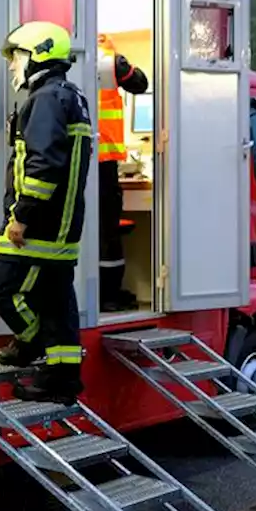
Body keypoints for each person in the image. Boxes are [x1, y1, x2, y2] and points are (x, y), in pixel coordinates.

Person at [0, 21, 92, 404]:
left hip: (41, 226)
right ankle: (62, 380)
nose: (13, 65)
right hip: (62, 224)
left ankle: (28, 344)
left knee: (0, 288)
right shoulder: (70, 96)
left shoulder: (46, 98)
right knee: (56, 301)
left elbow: (43, 164)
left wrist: (22, 216)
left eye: (17, 56)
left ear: (38, 54)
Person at [97, 33, 149, 311]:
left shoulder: (65, 58)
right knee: (107, 229)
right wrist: (120, 62)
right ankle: (108, 294)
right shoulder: (108, 59)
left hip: (74, 157)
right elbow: (141, 84)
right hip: (104, 160)